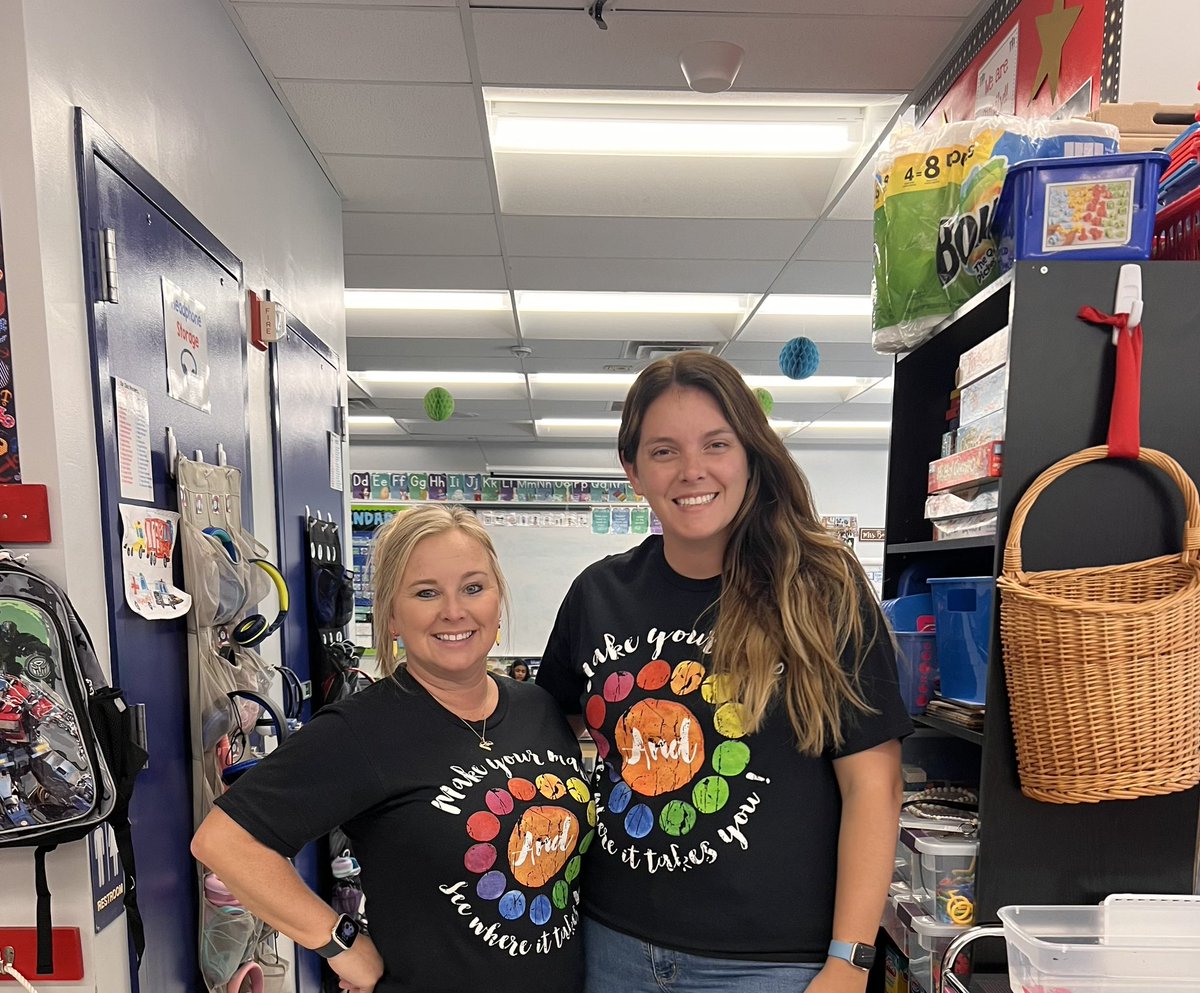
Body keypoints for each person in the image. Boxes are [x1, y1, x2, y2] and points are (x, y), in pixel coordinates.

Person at [536, 352, 912, 993]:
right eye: (663, 451)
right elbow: (539, 735)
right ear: (633, 470)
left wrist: (849, 960)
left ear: (750, 454)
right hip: (611, 940)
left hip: (771, 963)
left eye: (716, 444)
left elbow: (873, 787)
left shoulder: (820, 589)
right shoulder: (598, 594)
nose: (692, 471)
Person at [193, 505, 589, 993]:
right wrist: (342, 945)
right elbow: (225, 842)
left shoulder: (539, 709)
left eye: (473, 587)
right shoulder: (364, 729)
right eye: (426, 593)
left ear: (497, 599)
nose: (454, 611)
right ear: (392, 617)